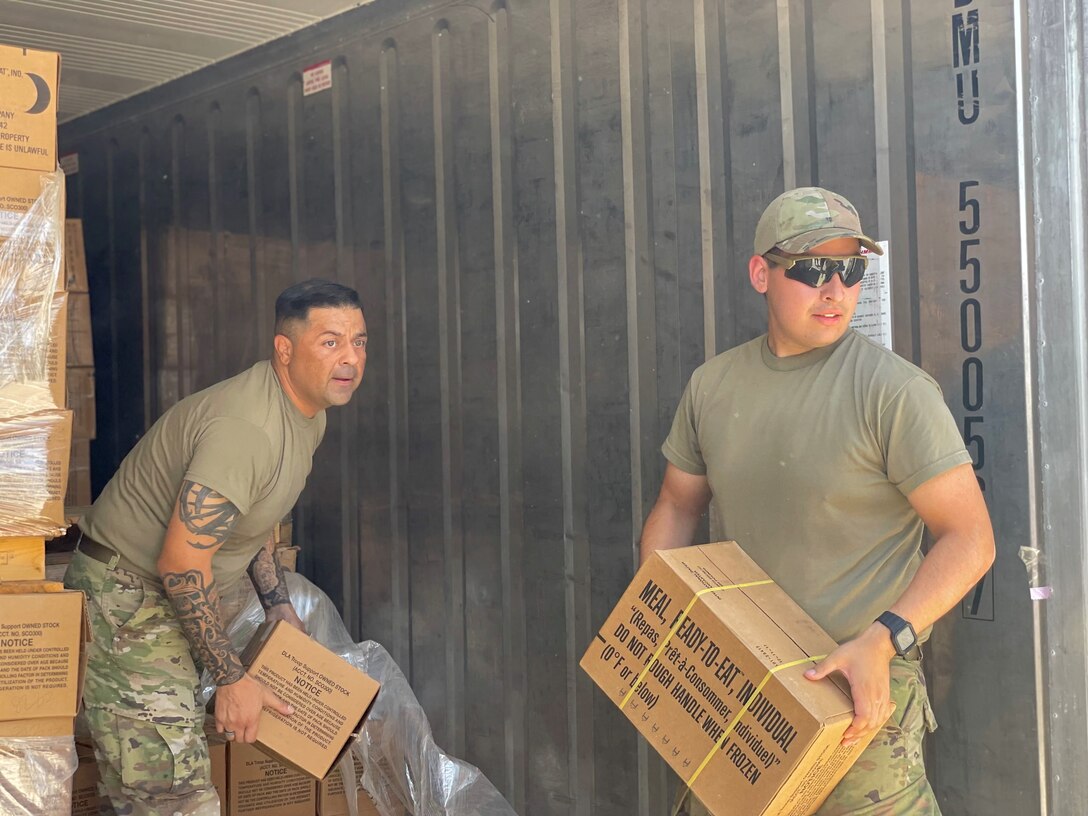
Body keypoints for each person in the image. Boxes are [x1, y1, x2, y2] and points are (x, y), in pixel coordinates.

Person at [643, 188, 995, 815]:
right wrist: (669, 625)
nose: (835, 289)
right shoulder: (713, 386)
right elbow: (676, 504)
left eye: (851, 270)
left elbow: (971, 540)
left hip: (856, 698)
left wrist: (884, 640)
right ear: (761, 273)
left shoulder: (895, 393)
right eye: (810, 268)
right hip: (741, 691)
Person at [64, 278, 368, 815]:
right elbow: (181, 561)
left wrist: (278, 604)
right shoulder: (246, 429)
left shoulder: (308, 414)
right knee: (176, 798)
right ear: (285, 349)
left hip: (168, 595)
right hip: (129, 601)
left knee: (144, 796)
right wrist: (231, 678)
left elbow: (248, 520)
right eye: (330, 341)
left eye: (359, 341)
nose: (350, 358)